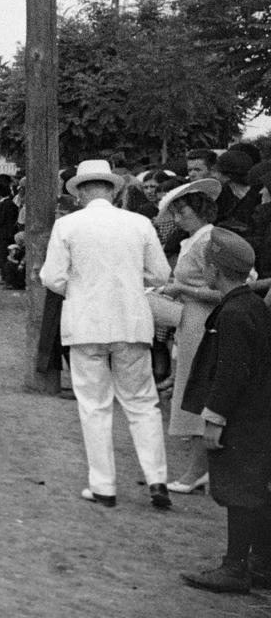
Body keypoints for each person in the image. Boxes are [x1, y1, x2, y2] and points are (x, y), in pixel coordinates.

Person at [40, 159, 172, 510]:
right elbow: (161, 274)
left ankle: (103, 486)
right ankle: (157, 479)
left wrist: (80, 289)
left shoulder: (67, 225)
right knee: (142, 402)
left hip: (86, 323)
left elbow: (52, 277)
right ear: (113, 191)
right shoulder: (139, 223)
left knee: (94, 406)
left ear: (81, 192)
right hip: (131, 321)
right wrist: (129, 282)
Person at [177, 229, 271, 594]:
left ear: (214, 269)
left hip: (241, 416)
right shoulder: (252, 305)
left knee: (239, 490)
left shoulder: (232, 312)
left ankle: (235, 568)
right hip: (256, 413)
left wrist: (215, 417)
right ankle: (261, 564)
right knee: (255, 488)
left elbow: (231, 372)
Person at [151, 177, 225, 495]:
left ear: (201, 211)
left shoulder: (209, 240)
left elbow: (229, 289)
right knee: (190, 389)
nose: (178, 219)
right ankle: (202, 468)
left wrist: (181, 288)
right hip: (190, 320)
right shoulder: (195, 239)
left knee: (196, 392)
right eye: (176, 213)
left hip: (203, 322)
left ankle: (197, 470)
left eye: (183, 212)